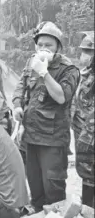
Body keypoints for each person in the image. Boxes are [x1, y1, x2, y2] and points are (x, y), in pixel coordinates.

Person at [12, 21, 80, 213]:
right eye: (40, 44)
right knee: (34, 185)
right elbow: (20, 87)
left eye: (48, 45)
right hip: (31, 137)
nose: (43, 49)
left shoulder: (69, 69)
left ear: (58, 46)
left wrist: (44, 72)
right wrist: (17, 105)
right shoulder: (31, 62)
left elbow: (61, 97)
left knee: (53, 188)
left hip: (53, 140)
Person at [72, 32, 94, 208]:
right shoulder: (83, 74)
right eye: (83, 51)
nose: (84, 55)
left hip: (91, 134)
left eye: (89, 51)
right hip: (81, 134)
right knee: (85, 173)